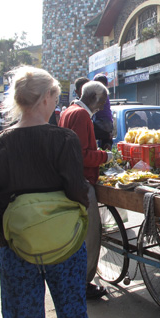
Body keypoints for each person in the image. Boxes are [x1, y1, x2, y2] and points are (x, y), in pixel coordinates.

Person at [0, 66, 94, 318]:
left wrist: (2, 238)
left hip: (18, 245)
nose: (55, 105)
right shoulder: (65, 139)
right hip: (65, 244)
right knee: (73, 317)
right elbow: (78, 192)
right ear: (45, 98)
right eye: (55, 99)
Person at [59, 81, 113, 300]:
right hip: (82, 181)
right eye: (103, 101)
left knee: (78, 236)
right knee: (91, 236)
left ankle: (75, 278)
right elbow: (81, 154)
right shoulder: (81, 115)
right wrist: (104, 156)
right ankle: (84, 283)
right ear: (95, 98)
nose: (103, 105)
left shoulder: (69, 111)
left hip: (71, 180)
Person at [92, 74, 113, 150]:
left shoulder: (101, 93)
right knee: (105, 145)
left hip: (103, 122)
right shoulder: (103, 93)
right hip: (106, 122)